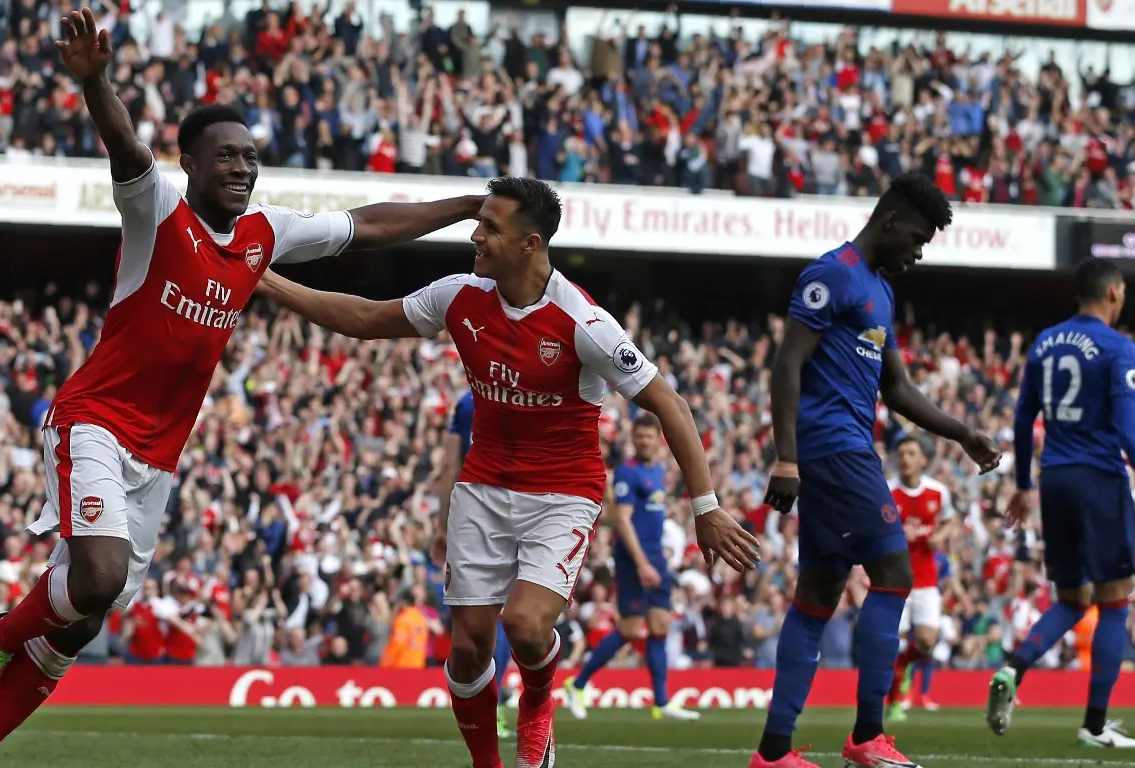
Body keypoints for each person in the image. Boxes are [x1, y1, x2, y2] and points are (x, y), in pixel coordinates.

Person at [0, 8, 487, 767]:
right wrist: (95, 84)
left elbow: (372, 225)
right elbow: (125, 146)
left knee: (82, 624)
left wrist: (467, 206)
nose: (241, 168)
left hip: (158, 458)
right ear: (190, 163)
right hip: (94, 420)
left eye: (249, 158)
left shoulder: (265, 233)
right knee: (96, 578)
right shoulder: (155, 210)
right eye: (225, 156)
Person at [256, 175, 760, 768]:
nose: (475, 235)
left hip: (563, 492)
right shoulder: (459, 296)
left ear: (531, 244)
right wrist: (262, 279)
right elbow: (365, 318)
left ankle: (539, 716)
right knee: (467, 648)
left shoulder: (584, 322)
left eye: (491, 228)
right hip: (483, 486)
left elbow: (669, 403)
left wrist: (706, 507)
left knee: (524, 625)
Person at [758, 173, 1001, 768]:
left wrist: (962, 432)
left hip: (843, 452)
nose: (917, 252)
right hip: (832, 450)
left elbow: (897, 387)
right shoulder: (833, 274)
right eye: (916, 238)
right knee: (894, 573)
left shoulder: (880, 292)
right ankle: (868, 737)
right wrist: (785, 456)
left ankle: (773, 753)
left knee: (816, 597)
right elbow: (786, 366)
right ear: (889, 222)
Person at [988, 256, 1135, 748]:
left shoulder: (1045, 341)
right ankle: (1095, 724)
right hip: (1101, 480)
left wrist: (1023, 483)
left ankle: (1012, 669)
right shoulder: (1117, 346)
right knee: (1115, 601)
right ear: (1113, 293)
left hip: (1055, 480)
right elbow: (1129, 429)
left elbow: (1023, 420)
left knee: (1071, 598)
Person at [564, 412, 701, 721]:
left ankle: (662, 702)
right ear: (634, 439)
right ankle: (579, 683)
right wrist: (641, 563)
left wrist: (655, 560)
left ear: (657, 440)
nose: (643, 441)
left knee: (660, 625)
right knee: (629, 627)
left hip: (655, 557)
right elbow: (622, 520)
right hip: (633, 559)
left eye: (648, 436)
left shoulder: (658, 471)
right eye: (638, 436)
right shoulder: (628, 472)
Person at [438, 391, 518, 739]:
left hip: (474, 513)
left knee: (485, 617)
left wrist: (443, 522)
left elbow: (449, 466)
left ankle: (492, 703)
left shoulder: (466, 402)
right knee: (507, 615)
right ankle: (498, 701)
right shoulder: (526, 389)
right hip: (521, 508)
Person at [885, 436, 954, 720]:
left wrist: (939, 535)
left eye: (911, 453)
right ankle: (895, 703)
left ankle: (906, 665)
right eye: (901, 453)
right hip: (895, 579)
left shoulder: (937, 492)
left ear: (923, 459)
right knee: (894, 643)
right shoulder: (888, 491)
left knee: (927, 642)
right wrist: (898, 535)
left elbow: (950, 521)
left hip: (926, 580)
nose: (905, 458)